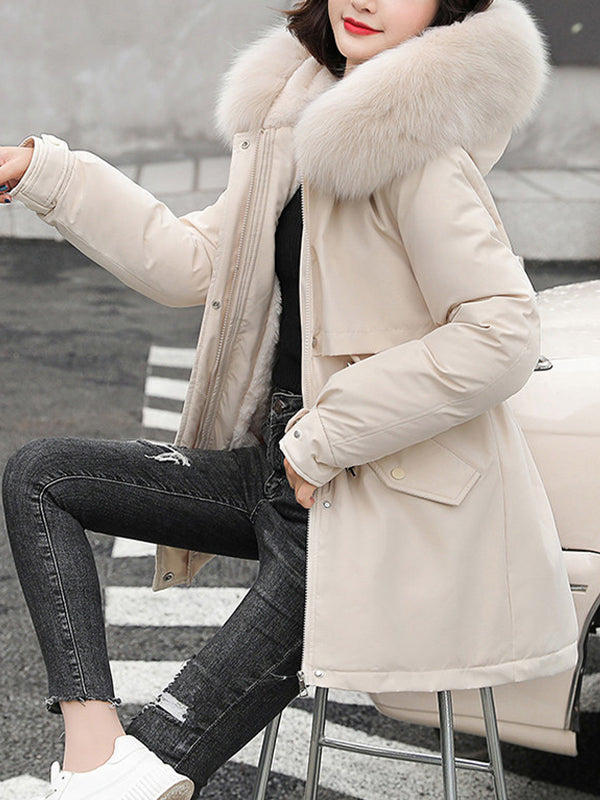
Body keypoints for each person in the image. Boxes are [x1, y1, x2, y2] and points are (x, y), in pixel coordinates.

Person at [0, 0, 579, 798]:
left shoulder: (419, 153)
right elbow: (197, 262)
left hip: (372, 505)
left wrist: (325, 435)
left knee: (160, 758)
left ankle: (114, 781)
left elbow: (501, 332)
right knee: (43, 475)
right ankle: (96, 754)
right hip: (282, 471)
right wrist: (44, 173)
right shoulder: (300, 129)